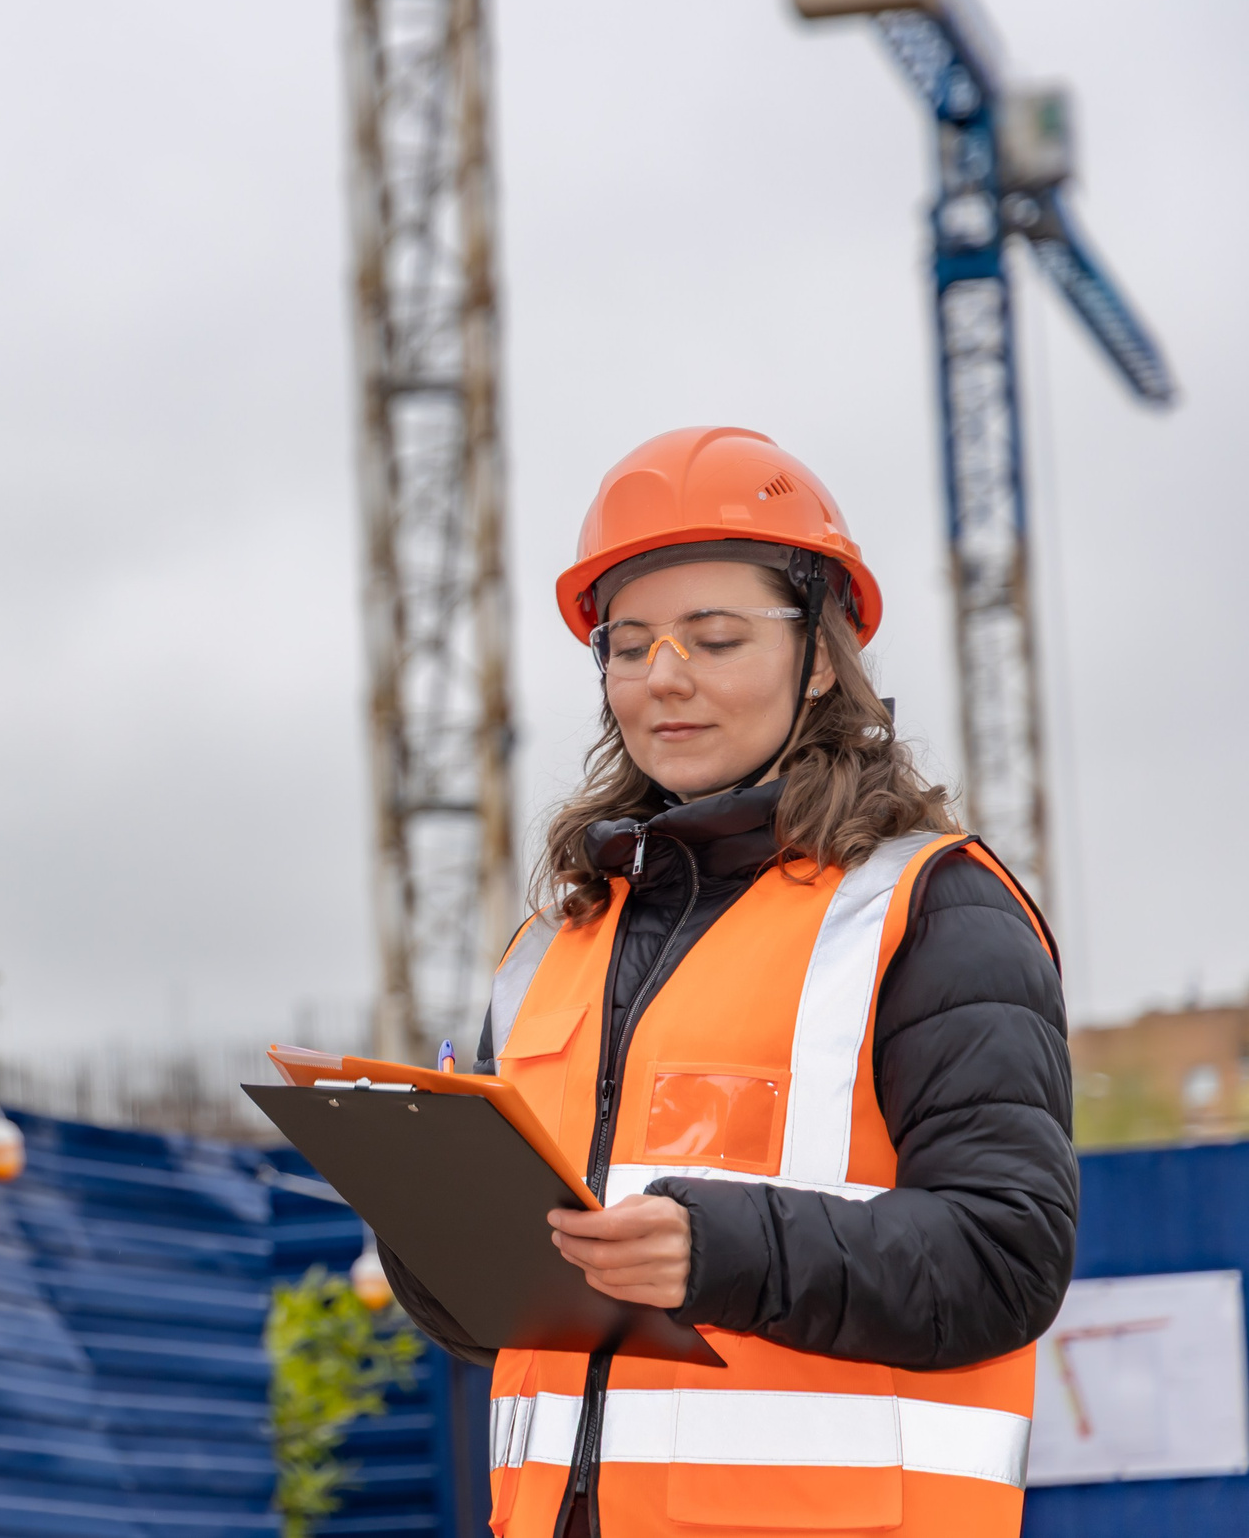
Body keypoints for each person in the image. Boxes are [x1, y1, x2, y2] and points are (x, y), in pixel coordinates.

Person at [382, 426, 1076, 1538]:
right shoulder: (550, 946)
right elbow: (503, 1326)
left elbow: (1005, 1258)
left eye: (712, 637)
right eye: (628, 643)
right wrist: (429, 1230)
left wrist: (717, 1249)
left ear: (817, 657)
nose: (663, 679)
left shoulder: (933, 910)